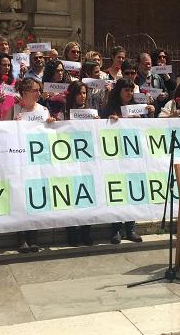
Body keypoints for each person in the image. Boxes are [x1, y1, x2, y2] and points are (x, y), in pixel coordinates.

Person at [100, 78, 155, 244]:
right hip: (115, 155)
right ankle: (116, 229)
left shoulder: (137, 107)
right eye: (126, 90)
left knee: (132, 190)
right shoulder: (109, 108)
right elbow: (99, 127)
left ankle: (131, 228)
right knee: (118, 191)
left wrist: (150, 113)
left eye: (131, 90)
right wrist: (109, 121)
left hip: (133, 154)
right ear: (119, 91)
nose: (129, 93)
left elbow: (147, 129)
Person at [7, 77, 54, 253]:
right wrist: (13, 125)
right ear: (25, 92)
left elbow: (50, 135)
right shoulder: (13, 110)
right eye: (35, 90)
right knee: (20, 198)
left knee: (35, 197)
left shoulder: (43, 110)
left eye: (39, 90)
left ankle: (33, 237)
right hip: (19, 161)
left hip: (38, 161)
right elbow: (1, 133)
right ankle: (21, 238)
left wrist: (51, 124)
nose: (39, 94)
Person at [64, 81, 94, 246]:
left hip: (86, 161)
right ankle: (72, 234)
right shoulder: (64, 112)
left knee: (86, 196)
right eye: (79, 93)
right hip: (69, 161)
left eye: (84, 93)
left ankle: (85, 232)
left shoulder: (91, 112)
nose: (82, 96)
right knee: (71, 197)